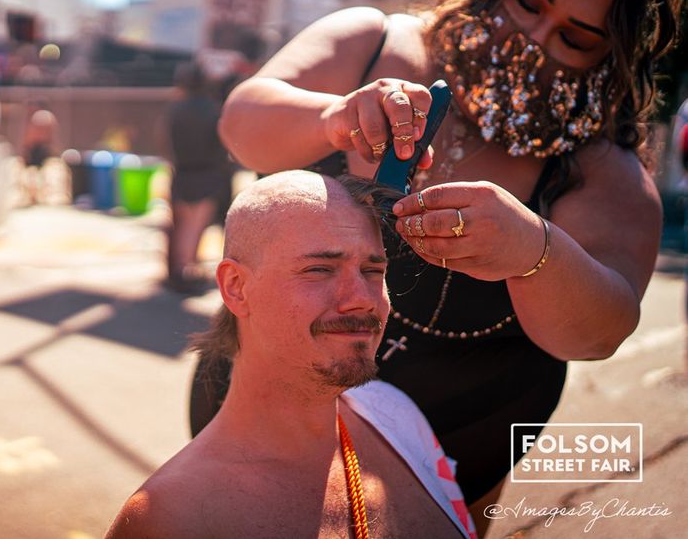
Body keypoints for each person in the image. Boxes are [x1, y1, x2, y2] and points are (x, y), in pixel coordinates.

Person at [214, 0, 688, 531]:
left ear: (610, 58)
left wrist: (534, 251)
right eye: (530, 2)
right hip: (259, 408)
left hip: (454, 449)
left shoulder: (600, 166)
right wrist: (332, 116)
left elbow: (598, 332)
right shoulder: (377, 39)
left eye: (575, 37)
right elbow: (242, 125)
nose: (532, 36)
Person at [107, 171, 475, 539]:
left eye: (372, 270)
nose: (362, 298)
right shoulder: (173, 519)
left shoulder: (395, 414)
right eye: (319, 269)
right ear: (236, 288)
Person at [165, 62, 235, 293]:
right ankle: (185, 271)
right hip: (206, 174)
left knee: (183, 226)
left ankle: (181, 269)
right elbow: (221, 144)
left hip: (182, 171)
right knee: (194, 227)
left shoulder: (176, 109)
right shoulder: (213, 109)